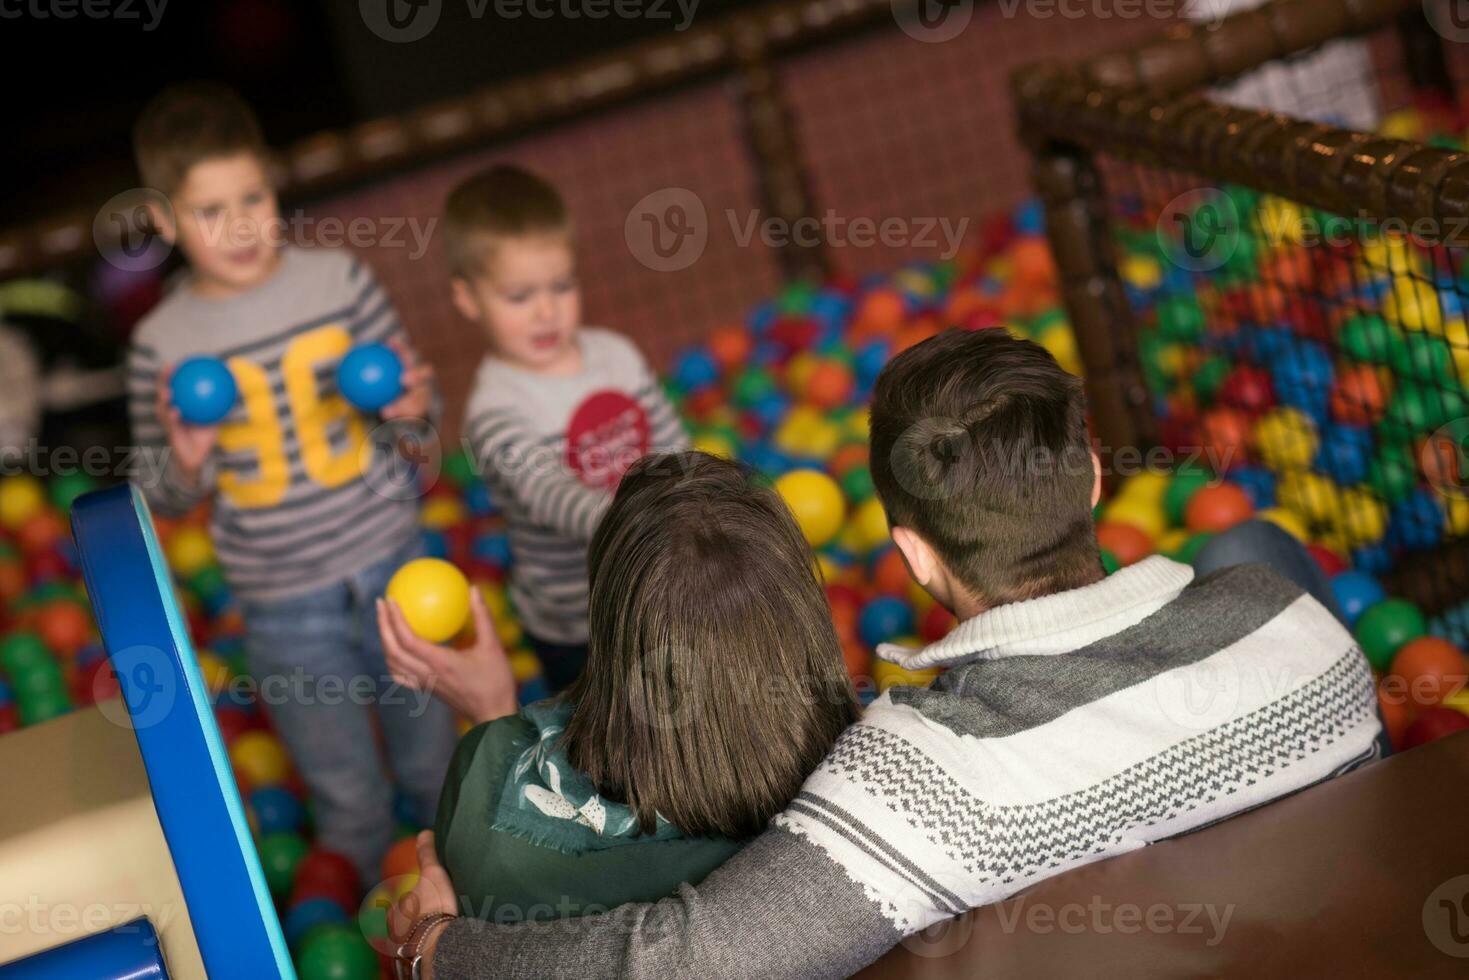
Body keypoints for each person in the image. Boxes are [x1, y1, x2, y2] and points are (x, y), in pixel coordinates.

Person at [391, 327, 1385, 978]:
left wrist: (441, 947)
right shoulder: (1293, 622)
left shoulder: (916, 769)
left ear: (907, 550)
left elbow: (680, 957)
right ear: (1087, 475)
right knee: (1242, 537)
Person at [125, 82, 456, 882]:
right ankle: (375, 906)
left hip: (391, 562)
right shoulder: (159, 342)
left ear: (276, 187)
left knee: (436, 758)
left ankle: (465, 881)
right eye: (210, 211)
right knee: (339, 781)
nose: (240, 225)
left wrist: (415, 409)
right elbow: (159, 493)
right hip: (279, 599)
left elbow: (414, 428)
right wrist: (190, 455)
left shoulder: (338, 282)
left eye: (254, 197)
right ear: (166, 223)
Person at [377, 452, 857, 934]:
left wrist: (494, 721)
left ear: (608, 619)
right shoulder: (864, 794)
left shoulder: (485, 785)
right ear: (804, 619)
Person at [446, 165, 688, 692]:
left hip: (666, 587)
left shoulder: (616, 356)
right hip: (578, 623)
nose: (546, 312)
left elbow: (672, 443)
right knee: (606, 745)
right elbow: (548, 496)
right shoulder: (496, 408)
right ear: (468, 299)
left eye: (561, 285)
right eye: (518, 296)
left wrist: (694, 497)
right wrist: (647, 517)